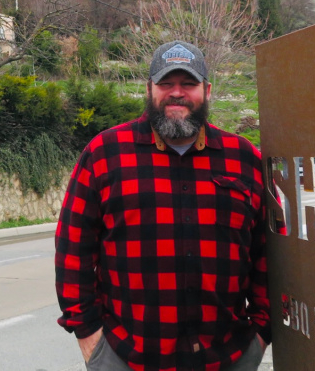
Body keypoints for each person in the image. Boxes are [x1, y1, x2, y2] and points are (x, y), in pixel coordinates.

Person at [55, 40, 273, 371]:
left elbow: (271, 252)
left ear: (207, 90)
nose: (176, 92)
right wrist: (90, 339)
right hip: (127, 357)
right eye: (166, 83)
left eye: (188, 83)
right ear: (149, 89)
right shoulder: (105, 153)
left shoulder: (244, 158)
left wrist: (261, 333)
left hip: (229, 355)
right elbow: (74, 250)